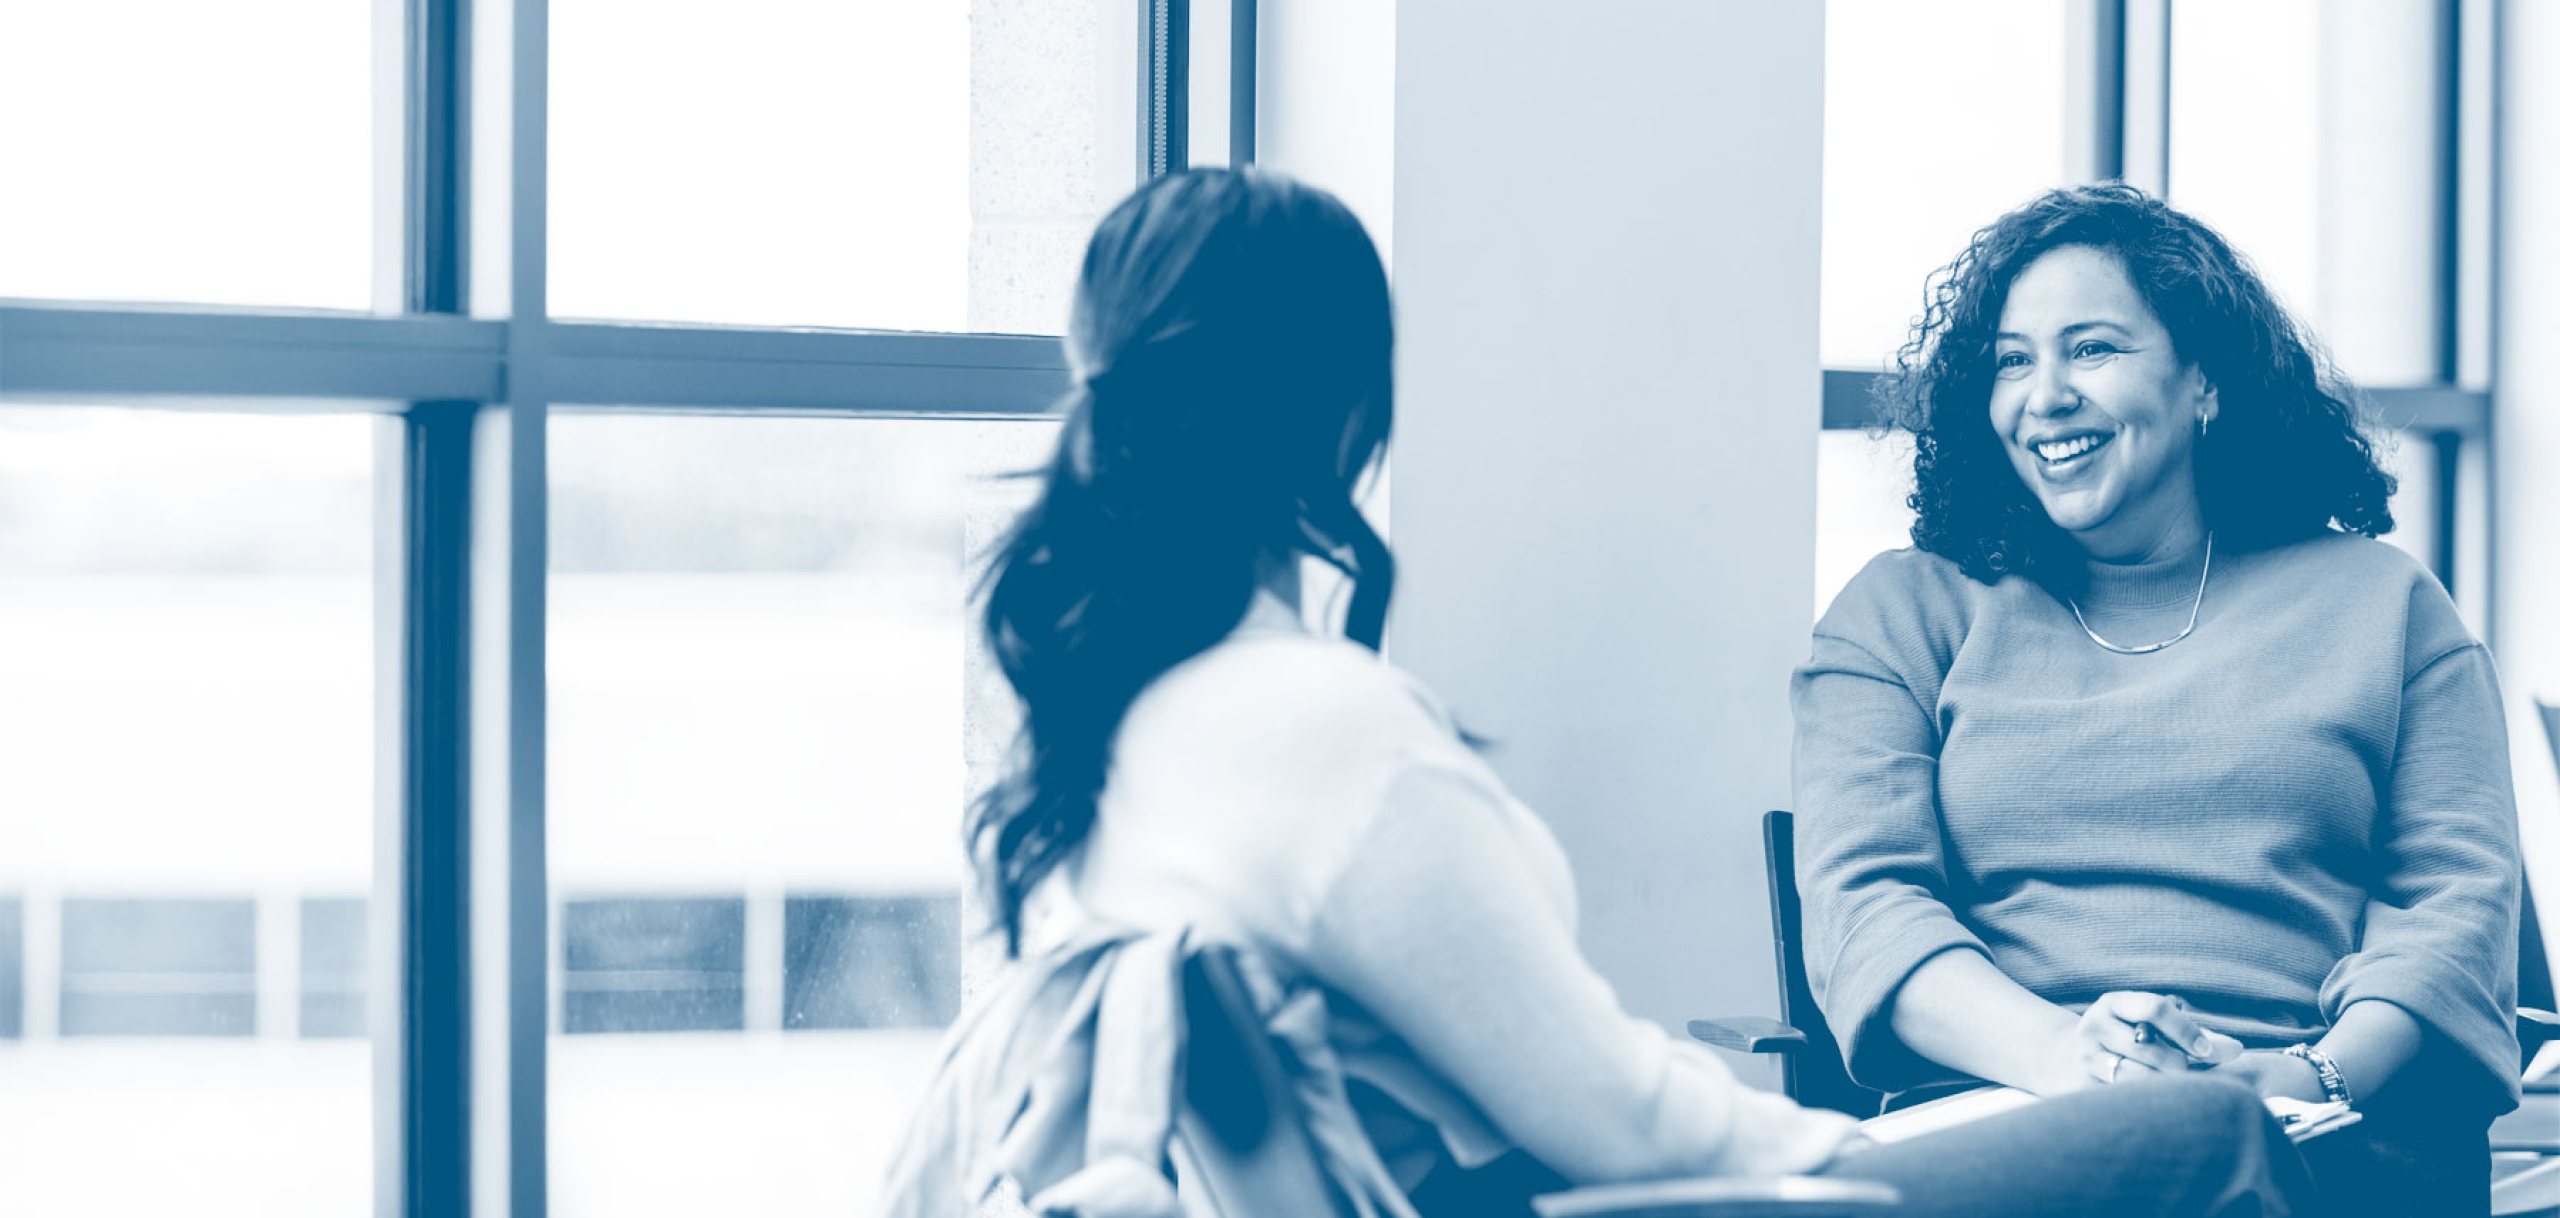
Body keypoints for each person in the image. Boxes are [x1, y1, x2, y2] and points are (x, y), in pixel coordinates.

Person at [883, 168, 2311, 1218]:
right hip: (1664, 1198)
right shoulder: (1329, 736)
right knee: (2206, 1138)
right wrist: (1839, 1153)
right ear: (1344, 415)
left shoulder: (1129, 726)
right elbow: (1615, 1117)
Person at [1793, 184, 2522, 1217]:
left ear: (2204, 384)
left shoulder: (2384, 604)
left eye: (2090, 349)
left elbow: (2454, 908)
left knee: (2212, 1147)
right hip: (2005, 1113)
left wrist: (2307, 1078)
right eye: (2011, 359)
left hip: (2311, 1124)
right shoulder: (1901, 611)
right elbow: (1867, 907)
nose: (2042, 395)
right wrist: (2060, 1053)